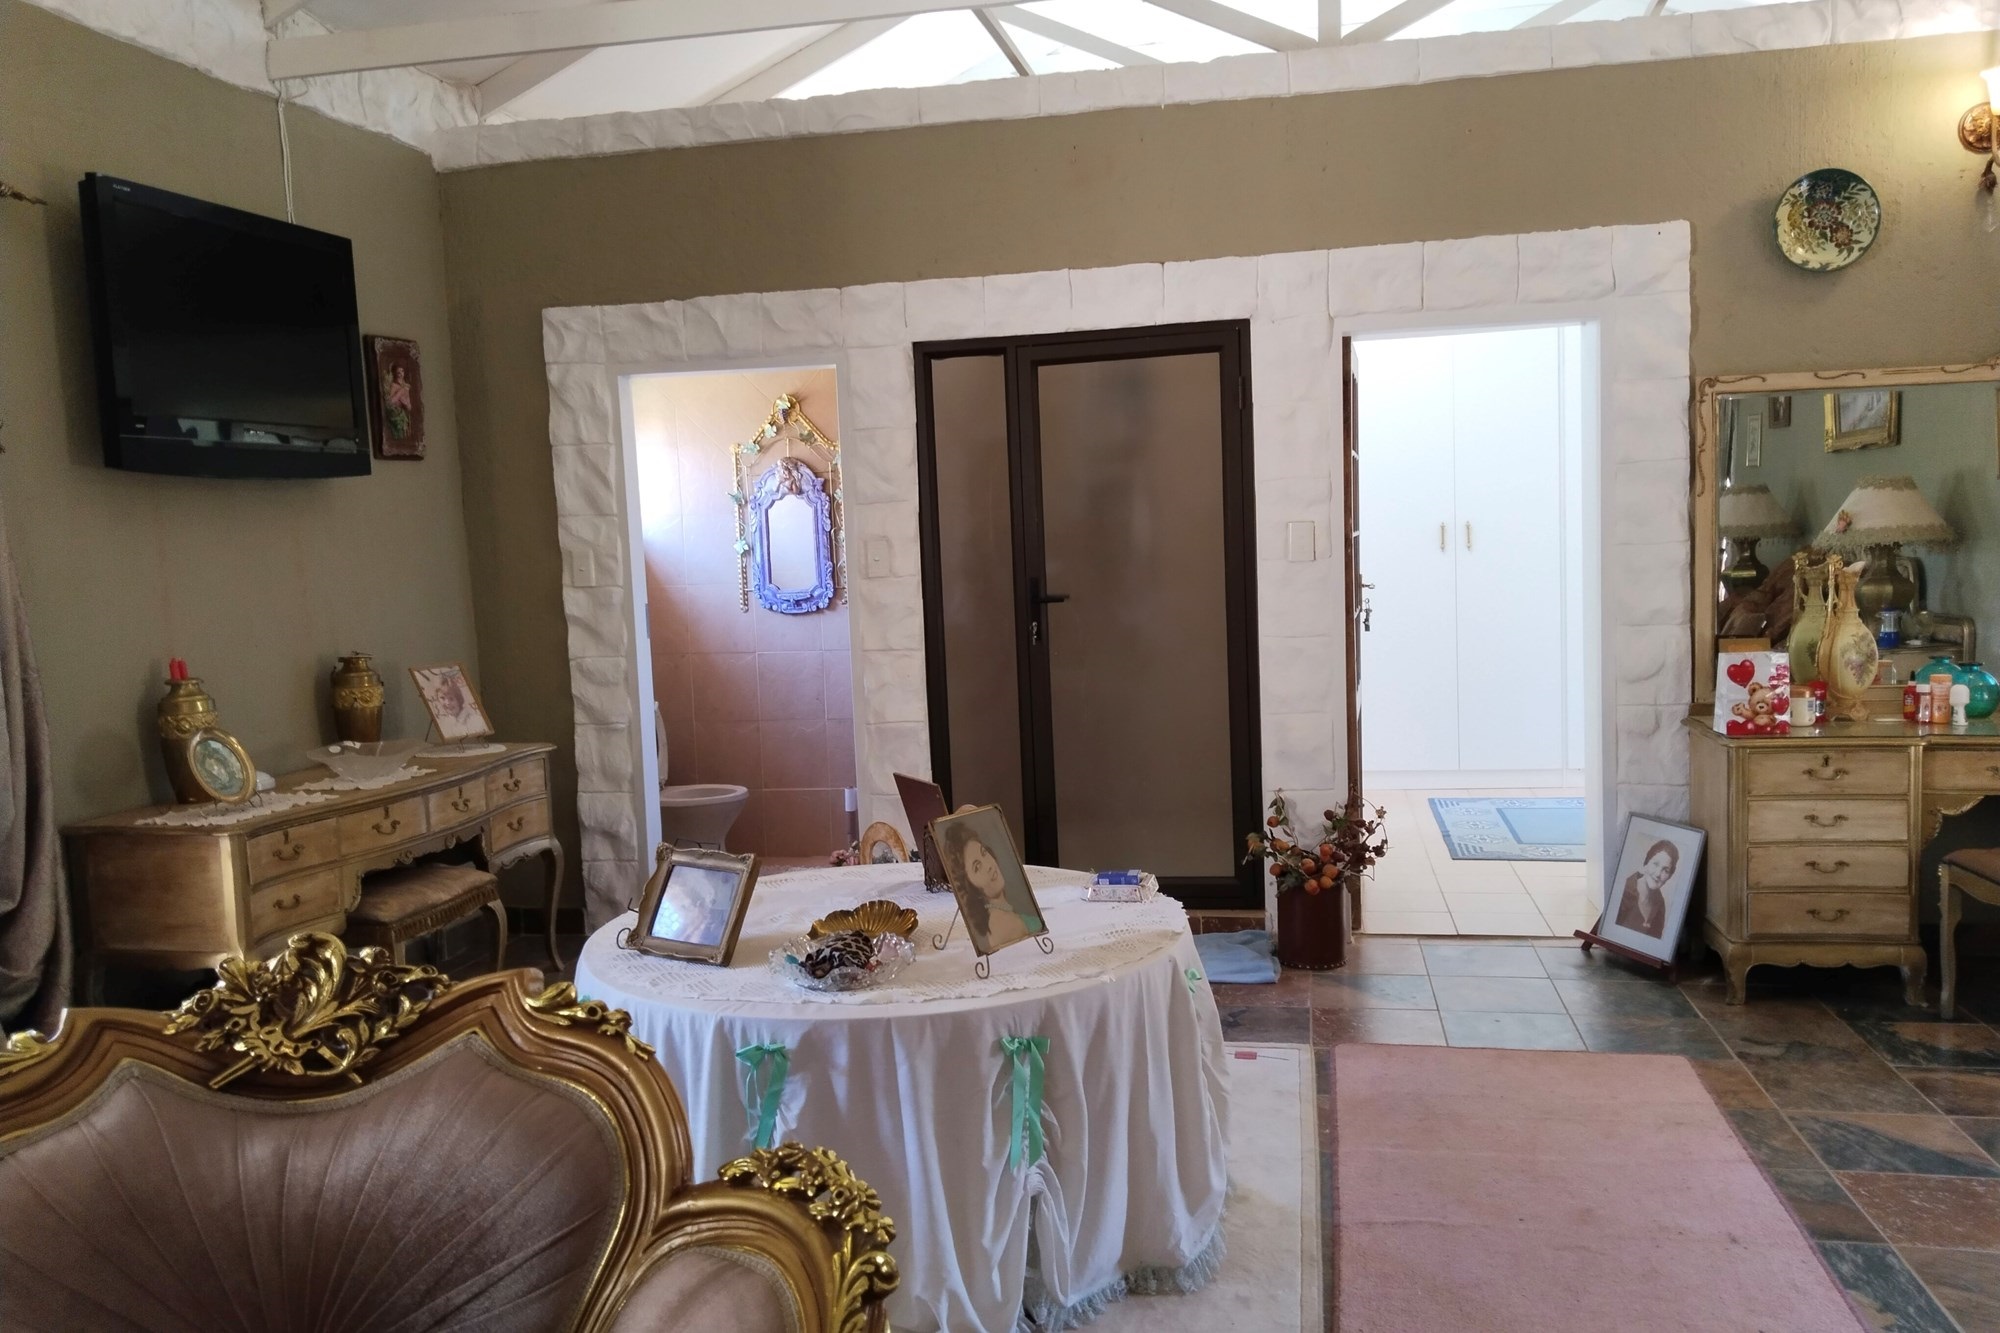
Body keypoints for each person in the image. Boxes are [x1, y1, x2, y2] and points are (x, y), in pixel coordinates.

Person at [942, 820, 1042, 953]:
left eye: (984, 853)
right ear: (970, 886)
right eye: (977, 867)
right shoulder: (1002, 923)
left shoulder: (1004, 913)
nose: (988, 865)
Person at [1614, 838, 1680, 939]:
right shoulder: (1624, 891)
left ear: (1670, 876)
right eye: (1655, 864)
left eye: (1665, 870)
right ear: (1646, 862)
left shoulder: (1660, 904)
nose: (1658, 874)